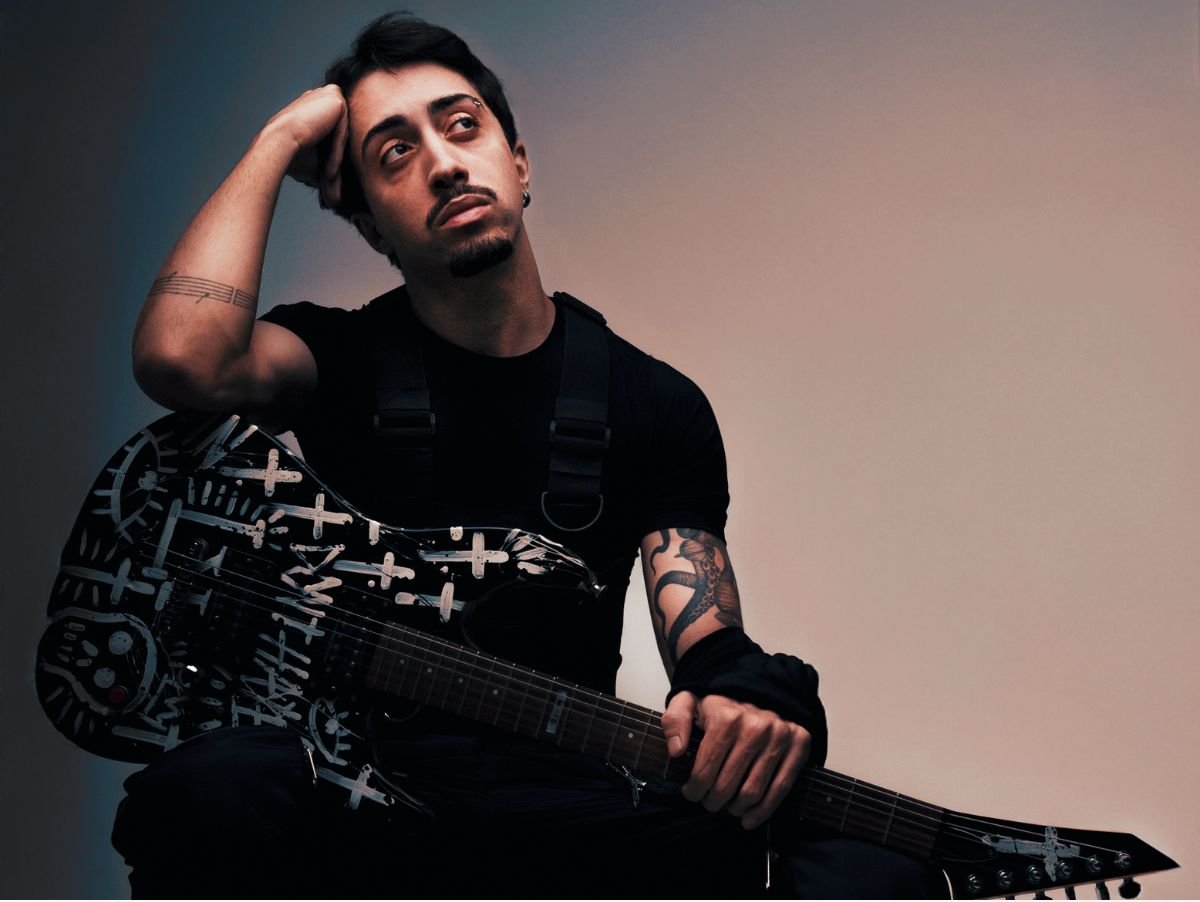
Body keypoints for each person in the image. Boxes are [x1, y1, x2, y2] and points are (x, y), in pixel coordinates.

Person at [118, 13, 945, 898]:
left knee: (867, 866)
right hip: (360, 796)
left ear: (519, 164)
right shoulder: (333, 359)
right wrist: (281, 138)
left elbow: (705, 639)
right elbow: (182, 359)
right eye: (394, 154)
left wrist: (751, 702)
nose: (443, 163)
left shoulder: (655, 404)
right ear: (371, 226)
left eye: (462, 125)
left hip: (566, 806)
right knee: (210, 790)